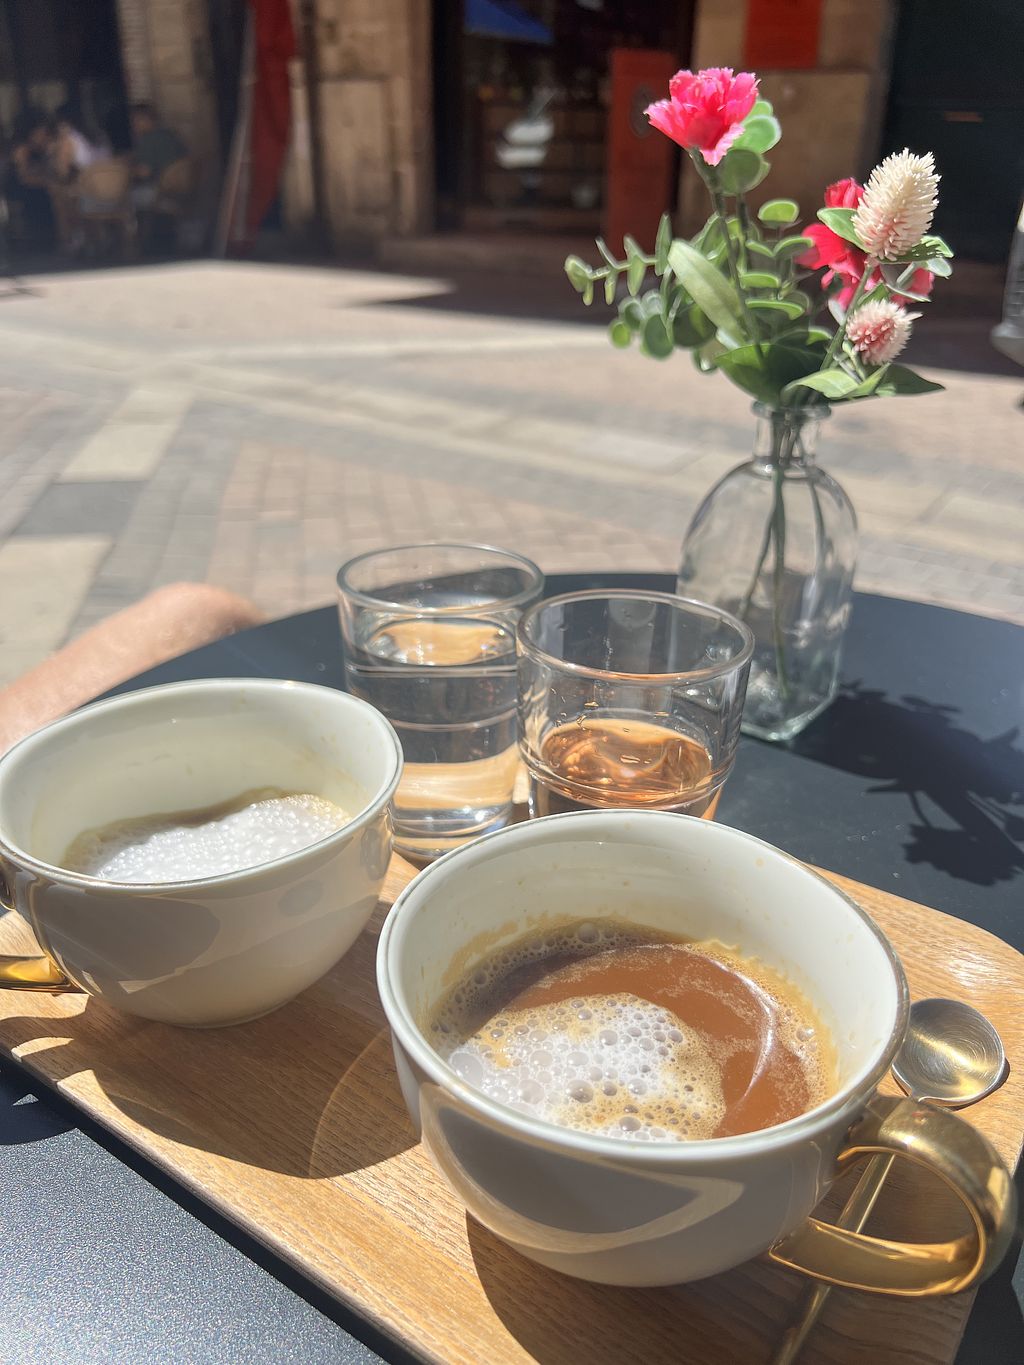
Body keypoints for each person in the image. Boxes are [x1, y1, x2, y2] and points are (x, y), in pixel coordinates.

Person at [2, 110, 56, 246]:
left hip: (34, 187)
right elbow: (24, 178)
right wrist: (46, 183)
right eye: (41, 134)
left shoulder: (41, 151)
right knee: (45, 197)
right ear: (32, 134)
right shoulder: (22, 150)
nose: (44, 137)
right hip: (20, 190)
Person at [129, 102, 187, 207]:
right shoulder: (170, 134)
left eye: (134, 120)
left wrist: (127, 172)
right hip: (181, 190)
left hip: (158, 192)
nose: (133, 125)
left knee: (117, 199)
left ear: (144, 119)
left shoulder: (148, 140)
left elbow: (144, 173)